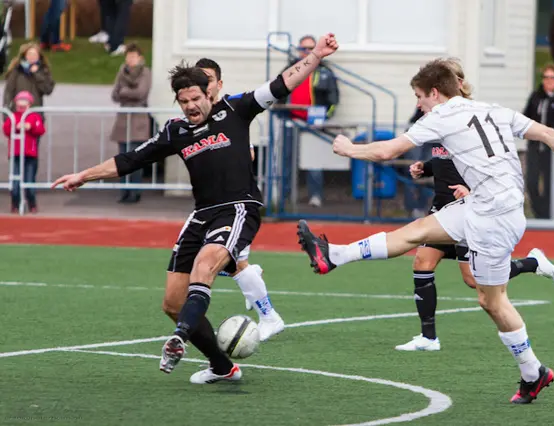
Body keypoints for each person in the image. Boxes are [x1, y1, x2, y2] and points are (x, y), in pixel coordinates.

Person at [297, 58, 554, 404]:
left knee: (491, 301)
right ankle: (334, 255)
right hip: (483, 205)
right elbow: (548, 134)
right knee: (415, 233)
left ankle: (533, 372)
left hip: (495, 218)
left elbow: (387, 150)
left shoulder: (441, 115)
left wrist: (348, 149)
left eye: (419, 96)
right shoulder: (492, 109)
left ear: (434, 92)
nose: (418, 104)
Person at [52, 33, 339, 384]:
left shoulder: (236, 109)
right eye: (183, 100)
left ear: (210, 94)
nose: (190, 105)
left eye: (195, 98)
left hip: (238, 208)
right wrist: (84, 175)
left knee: (206, 265)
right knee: (172, 303)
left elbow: (282, 83)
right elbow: (130, 159)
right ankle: (222, 367)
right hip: (201, 214)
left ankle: (179, 339)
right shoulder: (175, 131)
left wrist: (317, 57)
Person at [396, 59, 554, 352]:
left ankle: (532, 263)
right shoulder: (435, 114)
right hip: (443, 207)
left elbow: (484, 163)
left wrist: (472, 190)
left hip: (472, 209)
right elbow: (446, 158)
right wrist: (427, 168)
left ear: (457, 84)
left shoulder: (470, 116)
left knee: (474, 281)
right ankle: (428, 337)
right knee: (422, 261)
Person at [194, 57, 285, 341]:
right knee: (221, 261)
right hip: (211, 202)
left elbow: (249, 153)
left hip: (237, 203)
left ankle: (269, 316)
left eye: (208, 79)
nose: (203, 84)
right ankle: (251, 280)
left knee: (222, 260)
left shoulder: (233, 109)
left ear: (219, 84)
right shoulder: (194, 115)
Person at [281, 35, 340, 207]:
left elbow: (333, 99)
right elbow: (277, 93)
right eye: (303, 48)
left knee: (314, 161)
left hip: (313, 124)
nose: (306, 52)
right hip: (291, 121)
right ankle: (284, 200)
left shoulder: (324, 72)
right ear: (298, 50)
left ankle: (315, 196)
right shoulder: (290, 68)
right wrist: (282, 115)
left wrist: (322, 117)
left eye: (310, 48)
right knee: (286, 160)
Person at [523, 64, 554, 219]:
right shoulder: (535, 96)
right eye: (546, 77)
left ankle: (548, 216)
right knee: (531, 182)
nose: (549, 81)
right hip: (535, 146)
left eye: (552, 77)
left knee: (550, 184)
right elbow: (526, 116)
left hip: (552, 149)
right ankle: (539, 214)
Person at [111, 43, 151, 204]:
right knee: (122, 157)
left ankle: (135, 191)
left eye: (133, 56)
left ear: (139, 58)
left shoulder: (145, 72)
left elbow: (141, 93)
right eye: (128, 56)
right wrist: (125, 93)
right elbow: (115, 94)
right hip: (123, 119)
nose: (130, 60)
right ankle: (124, 191)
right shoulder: (122, 71)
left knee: (135, 157)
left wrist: (125, 92)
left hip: (138, 118)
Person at [3, 91, 45, 213]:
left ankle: (32, 203)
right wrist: (15, 126)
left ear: (29, 104)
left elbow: (41, 129)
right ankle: (15, 203)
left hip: (30, 154)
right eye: (19, 102)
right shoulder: (13, 117)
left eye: (24, 102)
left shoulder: (34, 116)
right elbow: (6, 130)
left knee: (29, 180)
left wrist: (30, 126)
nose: (21, 105)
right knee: (15, 182)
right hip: (15, 154)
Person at [3, 42, 55, 112]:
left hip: (35, 113)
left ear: (39, 56)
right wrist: (6, 113)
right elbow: (8, 92)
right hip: (17, 113)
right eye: (30, 54)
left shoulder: (43, 70)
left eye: (34, 54)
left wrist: (36, 74)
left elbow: (48, 90)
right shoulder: (17, 70)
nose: (32, 56)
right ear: (25, 55)